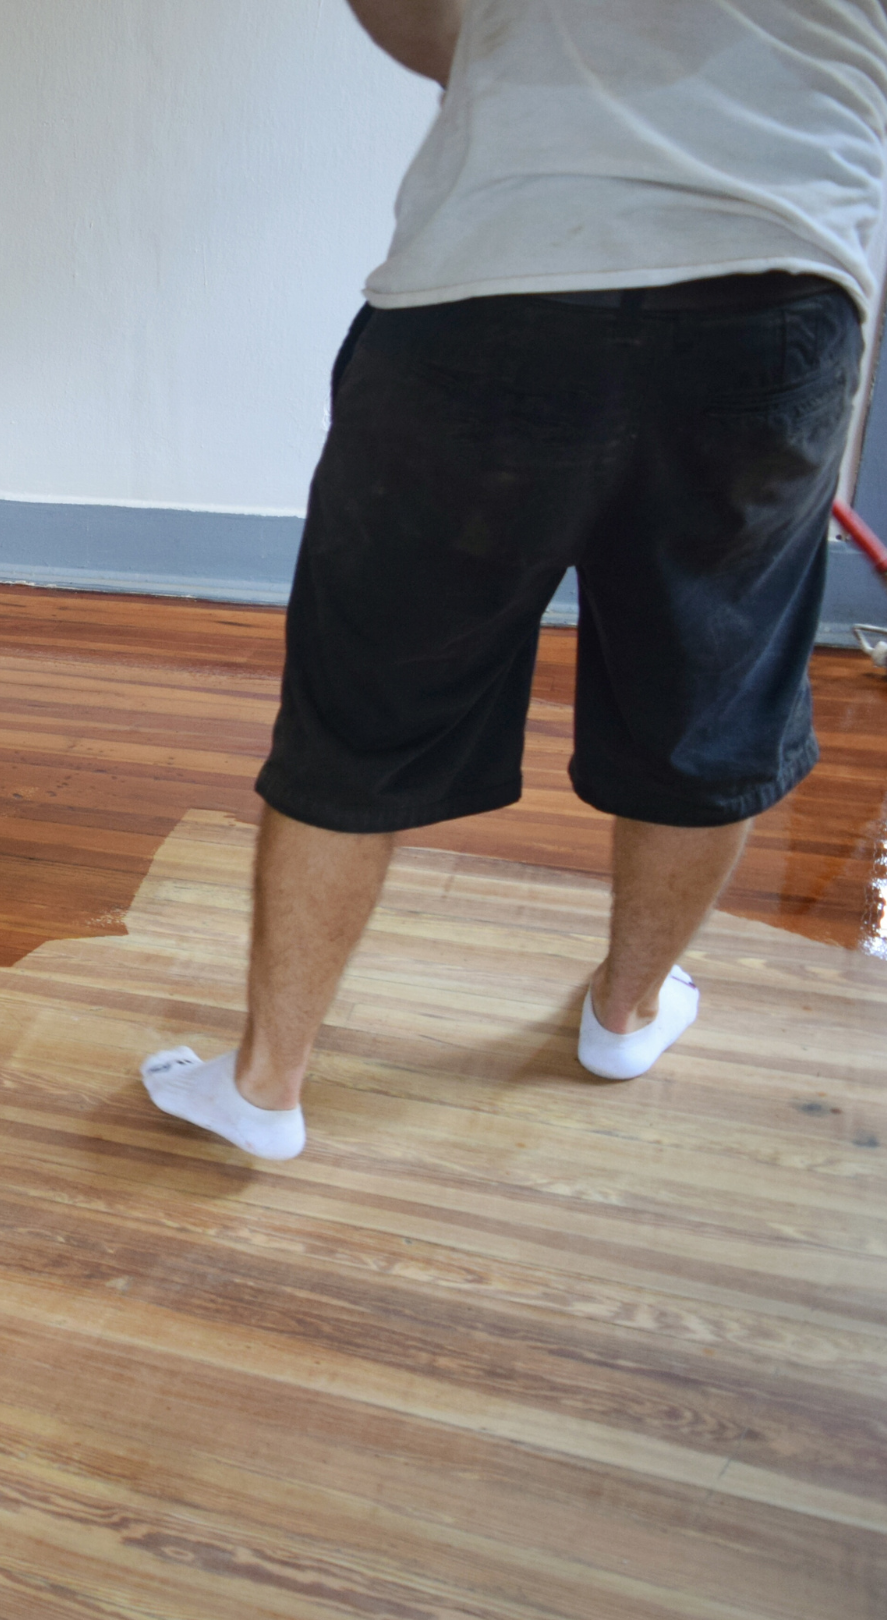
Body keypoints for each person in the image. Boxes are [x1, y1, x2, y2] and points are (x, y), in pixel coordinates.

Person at [142, 0, 887, 1162]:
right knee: (707, 703)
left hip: (496, 285)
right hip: (774, 285)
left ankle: (264, 1082)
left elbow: (416, 17)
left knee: (365, 713)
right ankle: (626, 1018)